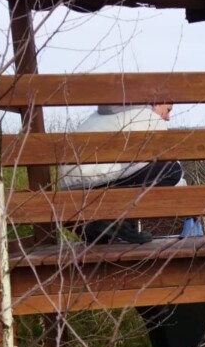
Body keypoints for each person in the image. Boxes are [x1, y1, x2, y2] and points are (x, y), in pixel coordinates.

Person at [56, 103, 184, 244]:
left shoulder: (96, 117)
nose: (168, 117)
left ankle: (100, 226)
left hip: (69, 189)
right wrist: (189, 199)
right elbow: (163, 163)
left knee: (132, 173)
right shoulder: (148, 117)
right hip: (95, 183)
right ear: (157, 103)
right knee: (172, 170)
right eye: (168, 110)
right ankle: (111, 219)